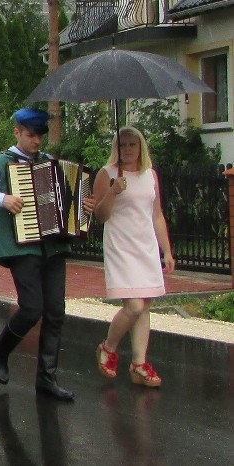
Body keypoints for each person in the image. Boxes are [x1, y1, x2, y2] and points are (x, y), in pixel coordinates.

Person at [0, 108, 91, 401]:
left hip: (53, 245)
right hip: (22, 246)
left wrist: (82, 207)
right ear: (17, 132)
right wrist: (1, 198)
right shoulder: (2, 163)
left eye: (40, 135)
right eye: (31, 135)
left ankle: (46, 378)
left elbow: (66, 198)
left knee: (56, 311)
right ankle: (1, 348)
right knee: (32, 308)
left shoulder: (49, 163)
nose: (37, 141)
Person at [93, 127, 174, 388]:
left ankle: (139, 364)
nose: (127, 149)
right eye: (123, 144)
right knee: (134, 306)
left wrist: (167, 250)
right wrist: (113, 192)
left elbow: (157, 215)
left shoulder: (150, 175)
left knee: (145, 306)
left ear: (141, 148)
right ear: (116, 147)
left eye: (132, 144)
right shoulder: (106, 175)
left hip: (145, 245)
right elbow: (101, 215)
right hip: (121, 245)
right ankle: (108, 347)